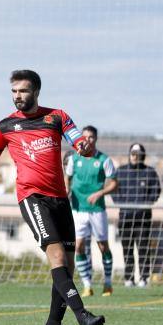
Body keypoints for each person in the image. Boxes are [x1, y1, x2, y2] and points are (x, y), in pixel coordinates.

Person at [0, 70, 106, 325]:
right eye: (14, 91)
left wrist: (82, 146)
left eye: (22, 91)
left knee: (67, 265)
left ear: (36, 92)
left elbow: (75, 137)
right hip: (32, 198)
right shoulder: (5, 126)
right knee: (56, 255)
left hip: (60, 199)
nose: (17, 96)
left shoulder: (56, 116)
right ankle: (82, 314)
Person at [64, 125, 118, 297]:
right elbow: (68, 176)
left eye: (91, 137)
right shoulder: (73, 159)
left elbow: (115, 183)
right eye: (84, 136)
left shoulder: (104, 160)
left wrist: (100, 193)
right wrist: (66, 190)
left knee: (102, 246)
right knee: (78, 246)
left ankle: (108, 283)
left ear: (95, 139)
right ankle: (87, 285)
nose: (87, 140)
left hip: (97, 210)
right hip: (78, 209)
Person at [112, 143, 162, 287]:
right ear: (129, 154)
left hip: (143, 218)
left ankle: (144, 278)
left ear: (142, 156)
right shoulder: (121, 172)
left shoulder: (150, 172)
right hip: (125, 217)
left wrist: (144, 204)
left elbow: (155, 192)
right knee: (127, 249)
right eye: (132, 153)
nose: (134, 156)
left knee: (143, 248)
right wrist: (123, 204)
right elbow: (114, 191)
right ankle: (129, 278)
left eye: (137, 154)